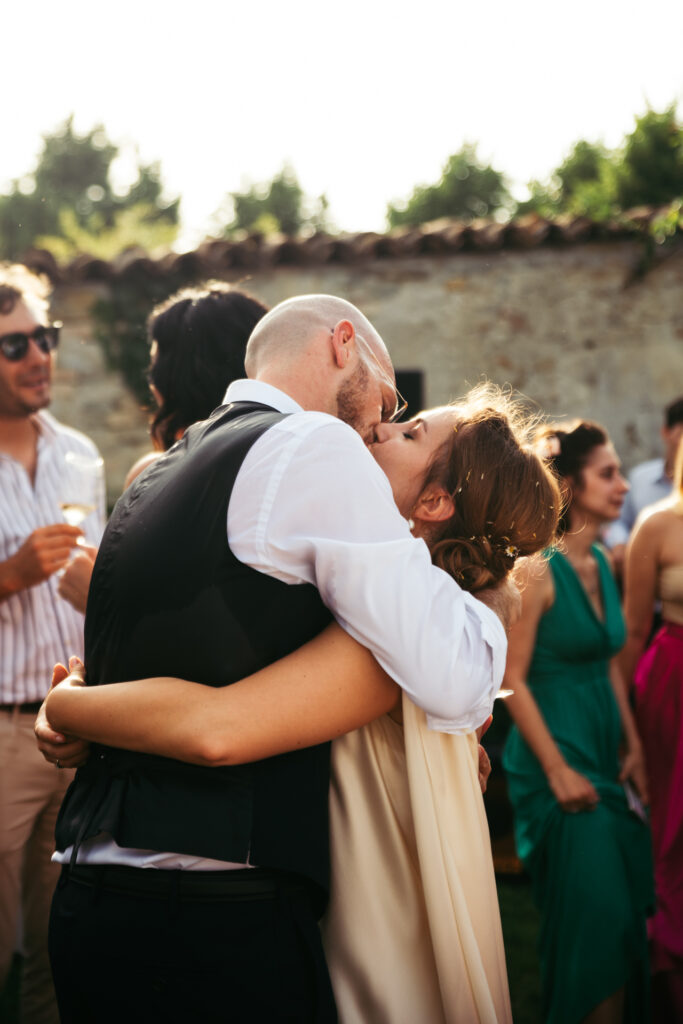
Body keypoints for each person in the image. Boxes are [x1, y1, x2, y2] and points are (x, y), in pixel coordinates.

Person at [38, 295, 515, 1023]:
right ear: (342, 345)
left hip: (90, 894)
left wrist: (71, 705)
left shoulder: (162, 470)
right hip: (206, 915)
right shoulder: (313, 445)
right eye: (389, 401)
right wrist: (490, 613)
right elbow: (452, 679)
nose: (380, 426)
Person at [502, 420, 653, 1024]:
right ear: (568, 485)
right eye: (608, 473)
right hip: (555, 758)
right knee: (596, 924)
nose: (622, 486)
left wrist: (634, 744)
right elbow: (510, 677)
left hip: (606, 754)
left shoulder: (606, 562)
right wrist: (558, 769)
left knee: (623, 925)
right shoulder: (539, 569)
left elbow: (608, 664)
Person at [0, 263, 105, 1024]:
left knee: (62, 941)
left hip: (76, 723)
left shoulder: (79, 455)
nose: (39, 355)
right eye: (14, 345)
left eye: (46, 336)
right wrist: (6, 576)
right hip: (0, 736)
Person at [57, 282, 268, 613]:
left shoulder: (154, 475)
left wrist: (97, 598)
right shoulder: (284, 458)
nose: (151, 384)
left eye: (155, 368)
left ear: (174, 382)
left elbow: (164, 624)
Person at [618, 436, 683, 1020]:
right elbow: (633, 631)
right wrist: (625, 726)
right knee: (669, 825)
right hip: (672, 684)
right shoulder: (658, 526)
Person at [604, 395, 683, 570]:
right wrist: (619, 543)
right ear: (665, 432)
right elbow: (620, 520)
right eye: (681, 435)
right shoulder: (640, 478)